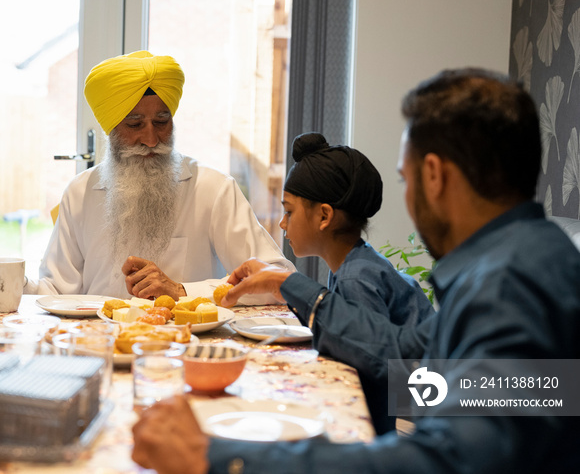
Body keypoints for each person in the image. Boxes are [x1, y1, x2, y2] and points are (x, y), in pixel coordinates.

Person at [131, 68, 580, 474]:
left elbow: (454, 458)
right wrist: (291, 287)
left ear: (435, 175)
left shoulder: (509, 286)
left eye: (405, 180)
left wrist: (222, 456)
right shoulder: (529, 260)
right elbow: (414, 360)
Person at [0, 50, 294, 304]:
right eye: (135, 124)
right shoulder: (80, 192)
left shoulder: (212, 189)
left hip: (179, 351)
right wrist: (6, 286)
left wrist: (181, 290)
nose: (152, 139)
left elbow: (279, 280)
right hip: (94, 350)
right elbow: (57, 292)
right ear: (110, 129)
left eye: (162, 121)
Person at [222, 131, 435, 434]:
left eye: (289, 211)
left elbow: (372, 376)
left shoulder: (357, 277)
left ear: (324, 216)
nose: (282, 223)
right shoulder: (355, 263)